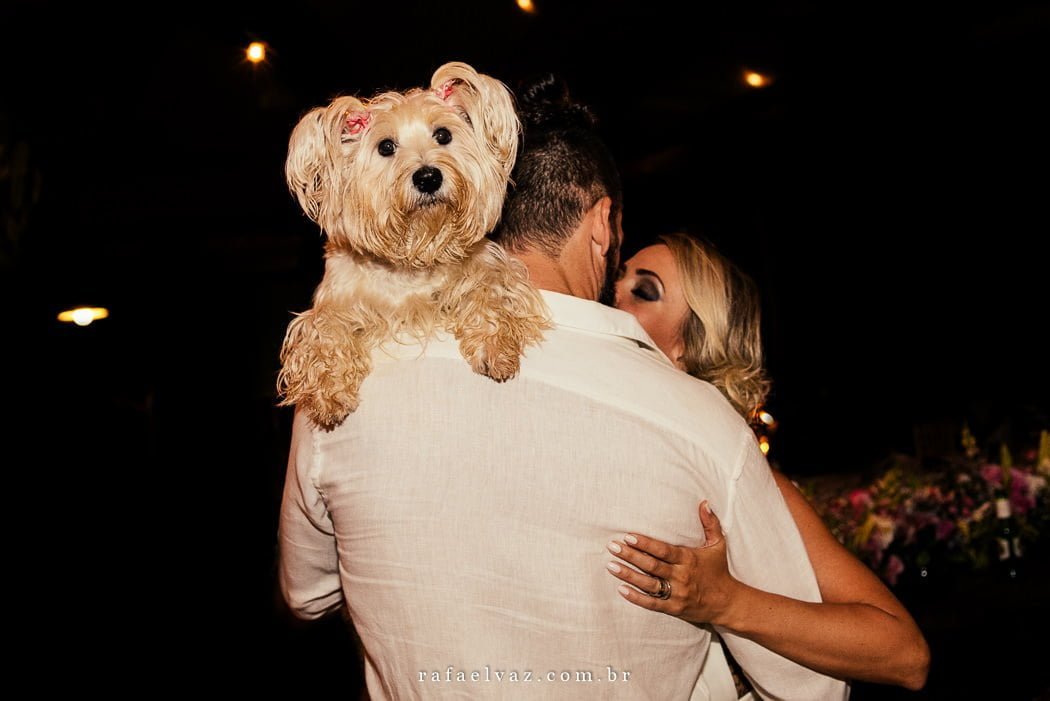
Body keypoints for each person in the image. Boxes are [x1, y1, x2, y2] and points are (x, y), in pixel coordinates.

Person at [279, 74, 848, 699]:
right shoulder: (707, 427)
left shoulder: (343, 398)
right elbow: (812, 687)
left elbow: (307, 594)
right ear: (603, 227)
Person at [608, 232, 930, 692]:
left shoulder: (734, 474)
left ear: (688, 346)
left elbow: (905, 654)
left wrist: (724, 601)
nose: (610, 299)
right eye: (613, 282)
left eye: (644, 292)